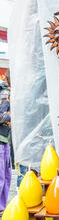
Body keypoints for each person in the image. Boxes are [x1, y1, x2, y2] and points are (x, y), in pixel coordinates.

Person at [0, 69, 11, 212]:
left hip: (4, 139)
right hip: (1, 139)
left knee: (6, 176)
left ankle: (2, 209)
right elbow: (1, 117)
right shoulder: (5, 92)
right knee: (2, 177)